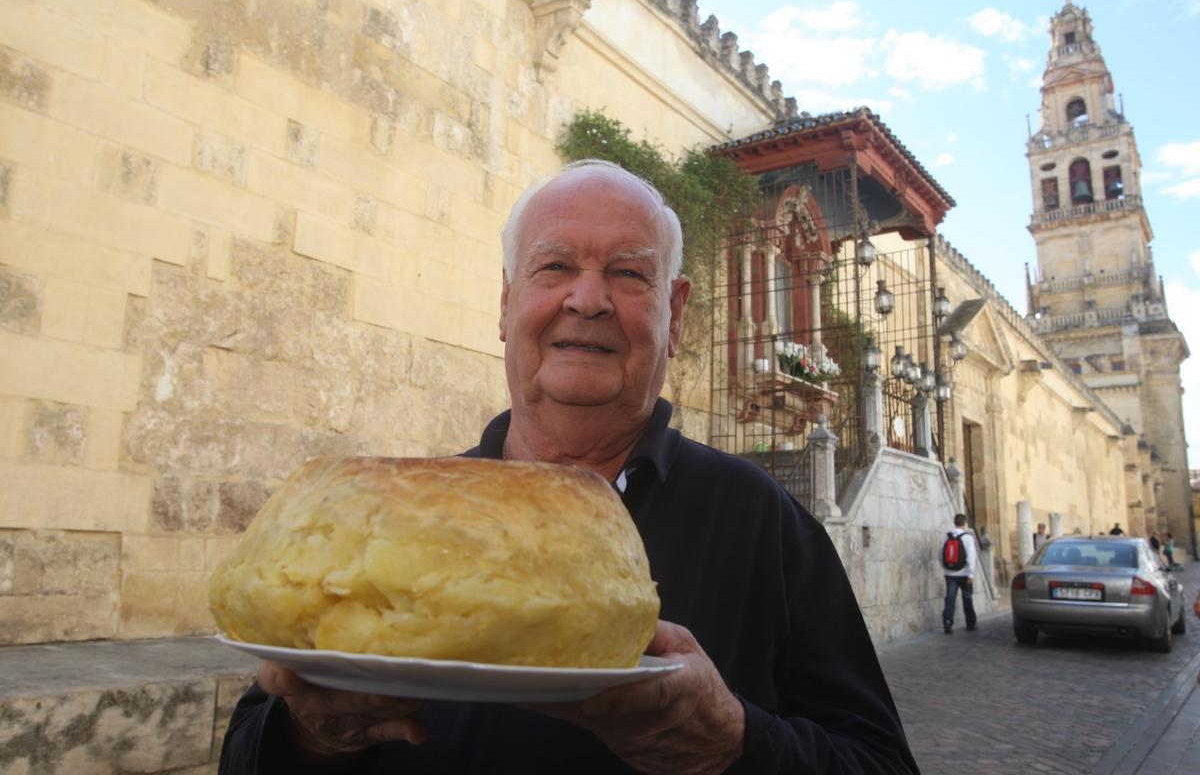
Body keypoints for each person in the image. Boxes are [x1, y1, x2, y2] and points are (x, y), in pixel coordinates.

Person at [218, 161, 918, 773]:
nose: (587, 299)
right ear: (506, 302)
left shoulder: (761, 523)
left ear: (674, 315)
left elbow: (879, 762)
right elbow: (248, 752)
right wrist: (315, 741)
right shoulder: (381, 530)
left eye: (629, 273)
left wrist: (733, 744)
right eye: (554, 268)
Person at [942, 513, 978, 634]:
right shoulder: (968, 538)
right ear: (964, 523)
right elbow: (971, 557)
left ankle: (947, 622)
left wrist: (946, 568)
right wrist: (971, 574)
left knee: (950, 599)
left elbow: (940, 554)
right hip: (965, 575)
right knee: (967, 598)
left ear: (955, 522)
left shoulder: (947, 537)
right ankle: (970, 623)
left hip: (950, 574)